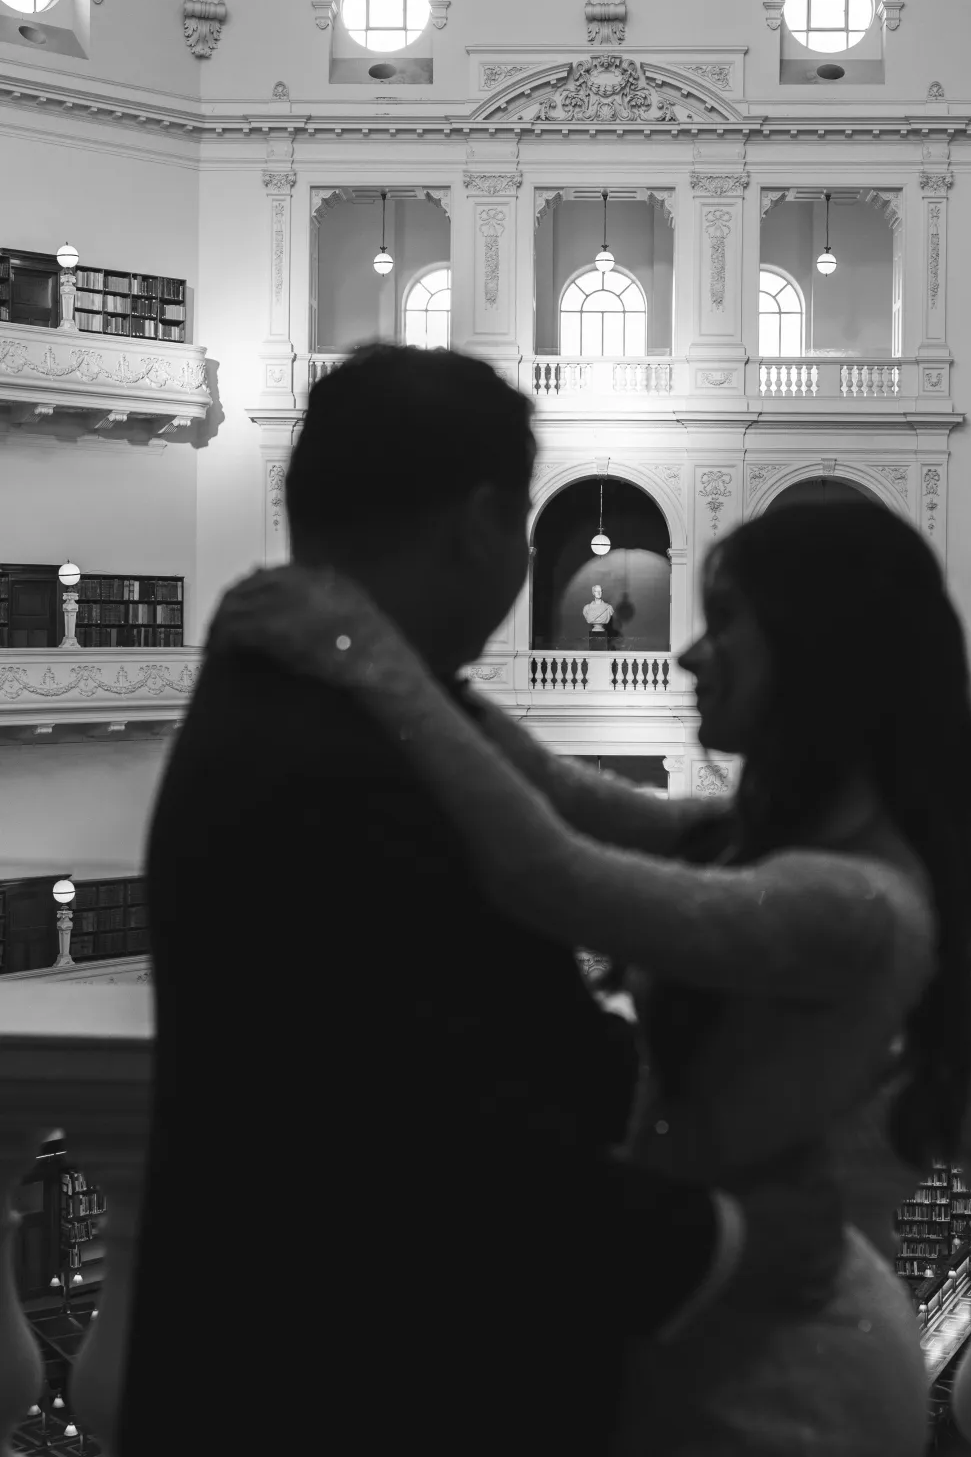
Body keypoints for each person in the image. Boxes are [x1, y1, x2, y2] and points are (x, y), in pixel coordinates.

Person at [115, 343, 847, 1457]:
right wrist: (730, 1238)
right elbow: (440, 1163)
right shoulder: (360, 754)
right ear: (481, 522)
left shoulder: (305, 696)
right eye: (526, 527)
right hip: (378, 1388)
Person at [209, 460, 971, 1454]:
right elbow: (568, 797)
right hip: (712, 1316)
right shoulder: (779, 849)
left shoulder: (853, 903)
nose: (691, 654)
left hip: (790, 1372)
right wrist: (416, 671)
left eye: (727, 623)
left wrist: (368, 658)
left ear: (818, 652)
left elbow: (552, 873)